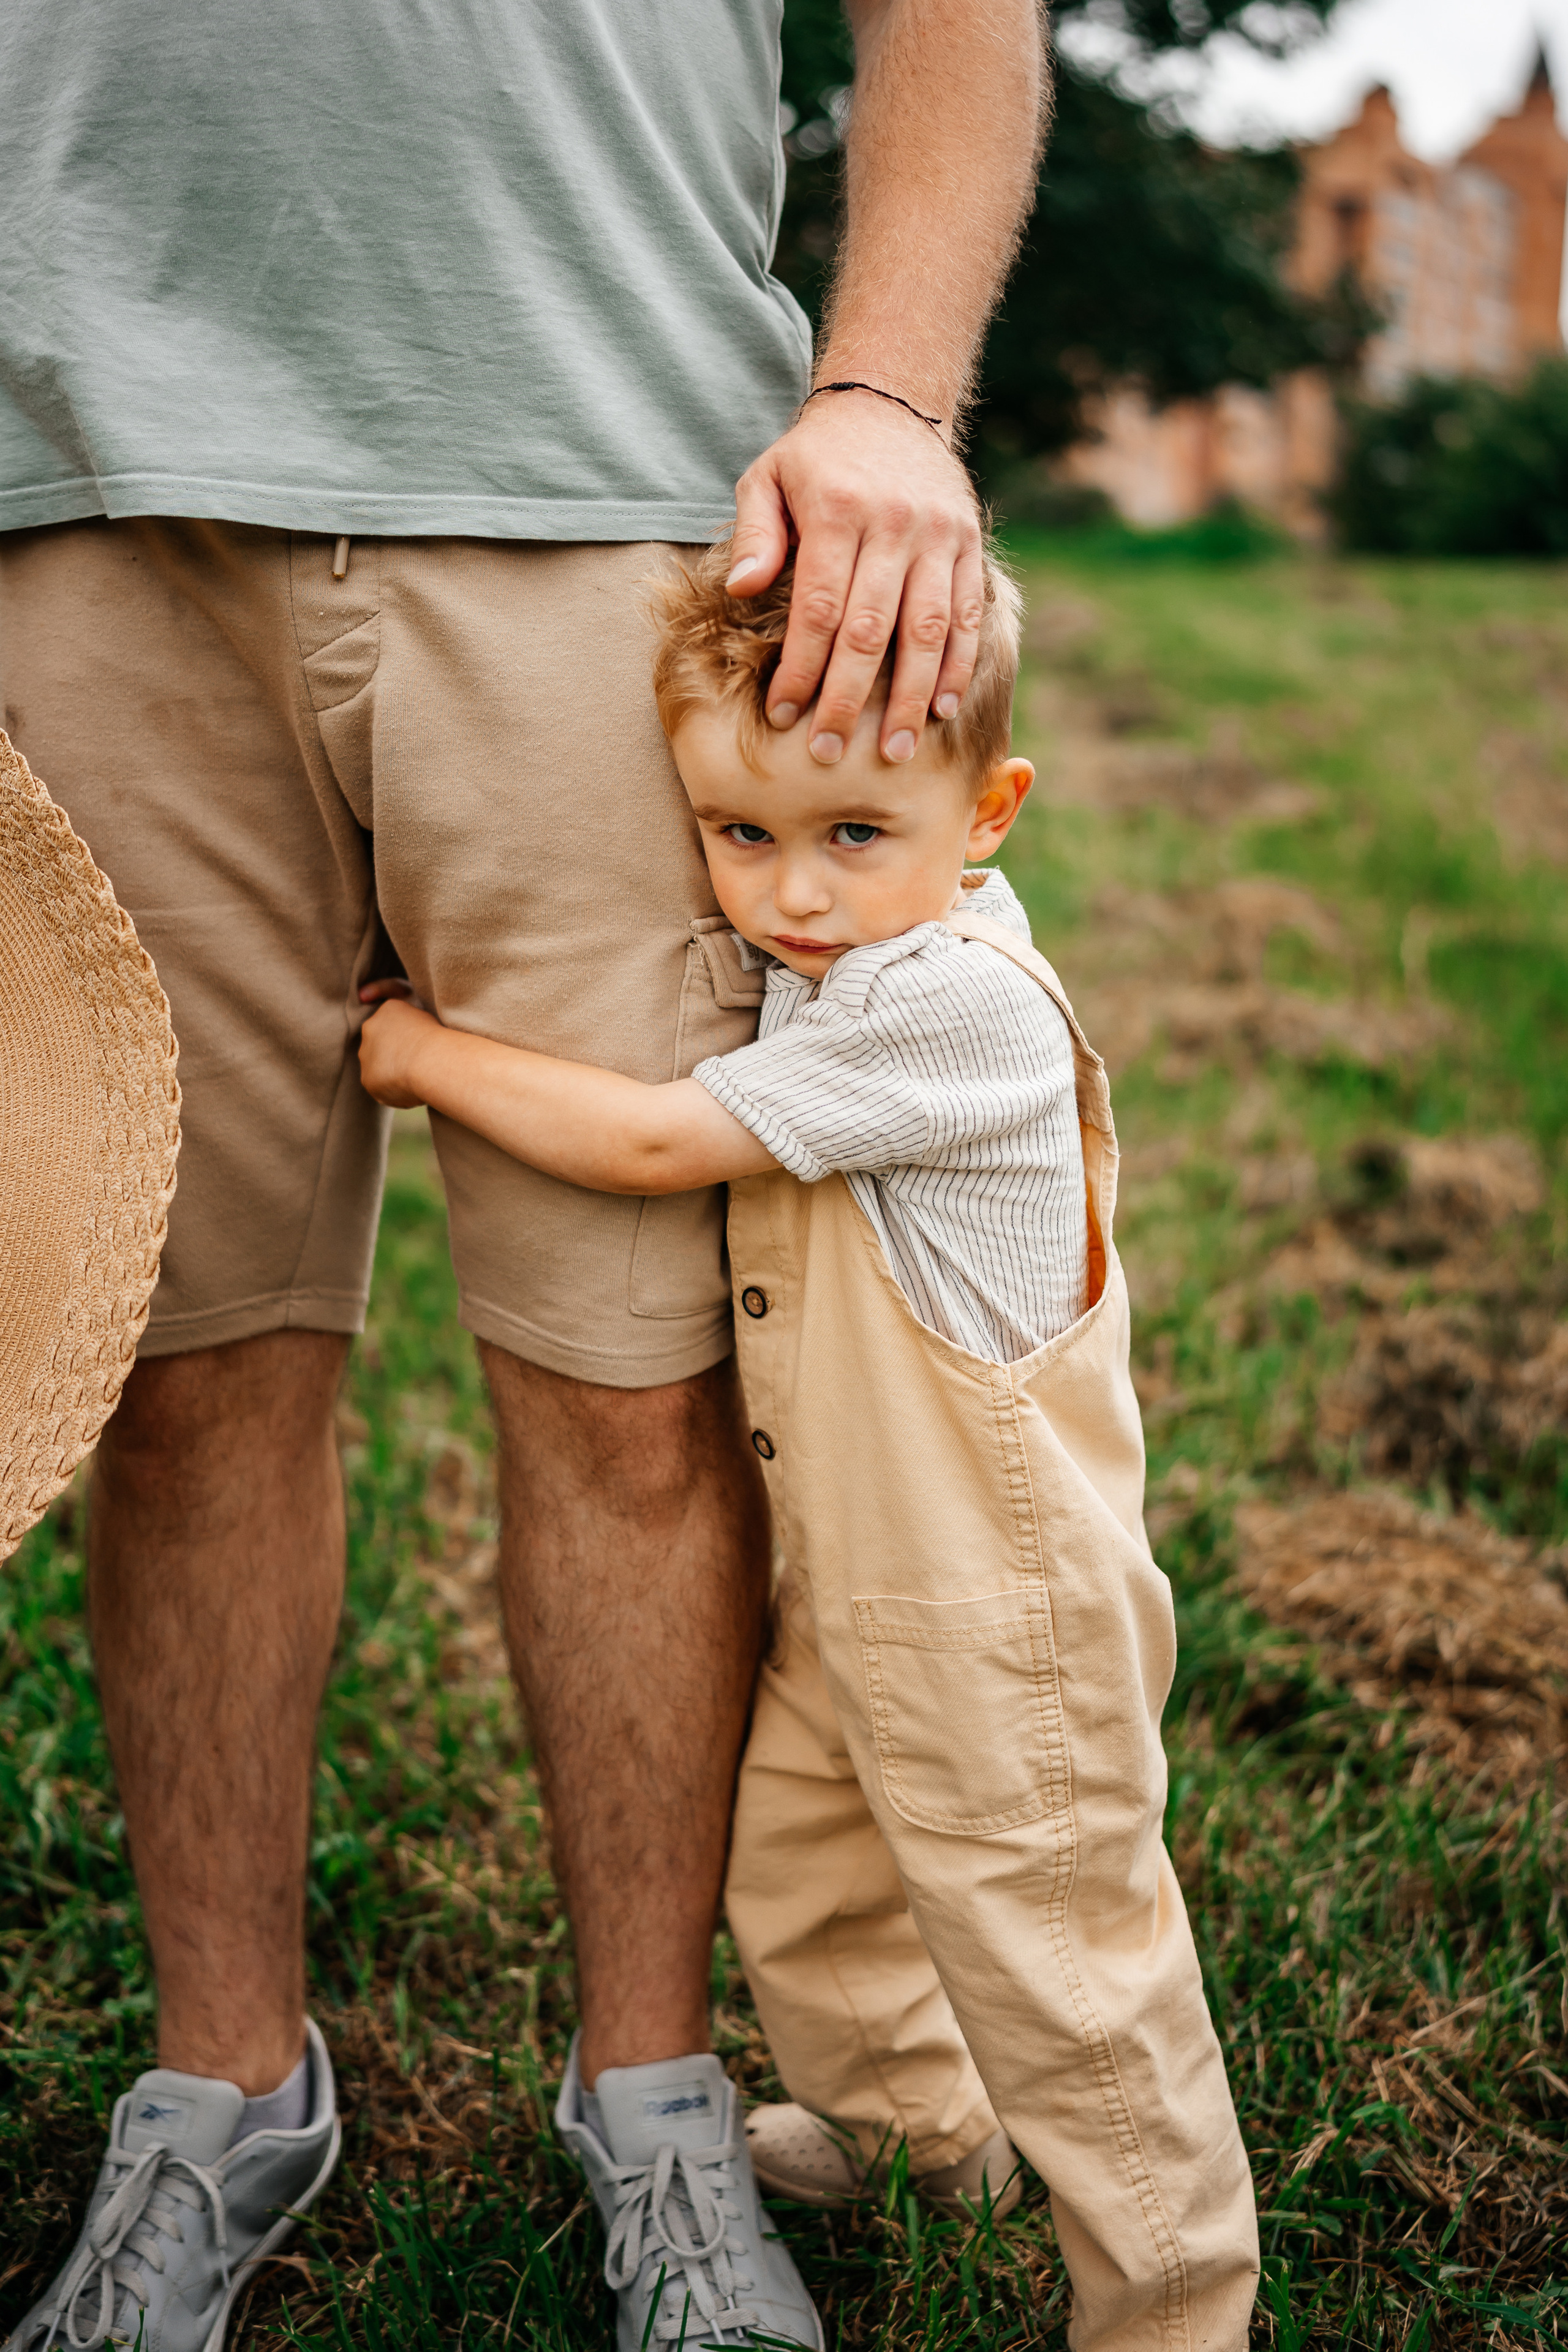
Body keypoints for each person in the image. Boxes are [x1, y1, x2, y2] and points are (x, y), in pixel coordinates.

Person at [0, 1, 1047, 2347]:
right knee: (170, 1368)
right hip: (74, 490)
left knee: (629, 1376)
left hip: (611, 487)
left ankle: (655, 2102)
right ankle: (221, 2089)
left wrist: (888, 393)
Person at [352, 541, 1262, 2349]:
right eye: (739, 835)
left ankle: (1176, 2303)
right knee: (805, 1857)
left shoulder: (950, 1006)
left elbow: (646, 1145)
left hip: (998, 1603)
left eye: (854, 833)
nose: (792, 892)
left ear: (988, 811)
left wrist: (419, 1056)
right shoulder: (844, 963)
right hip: (865, 1569)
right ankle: (918, 2130)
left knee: (1066, 1963)